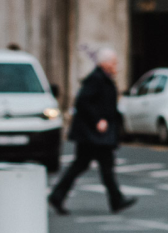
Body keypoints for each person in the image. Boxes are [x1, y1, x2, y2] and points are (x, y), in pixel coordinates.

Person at [48, 48, 134, 215]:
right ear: (104, 63)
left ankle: (58, 196)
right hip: (93, 135)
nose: (116, 65)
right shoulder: (96, 79)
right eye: (113, 62)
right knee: (97, 167)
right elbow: (83, 102)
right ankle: (115, 200)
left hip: (96, 135)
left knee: (91, 166)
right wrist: (98, 120)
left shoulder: (103, 78)